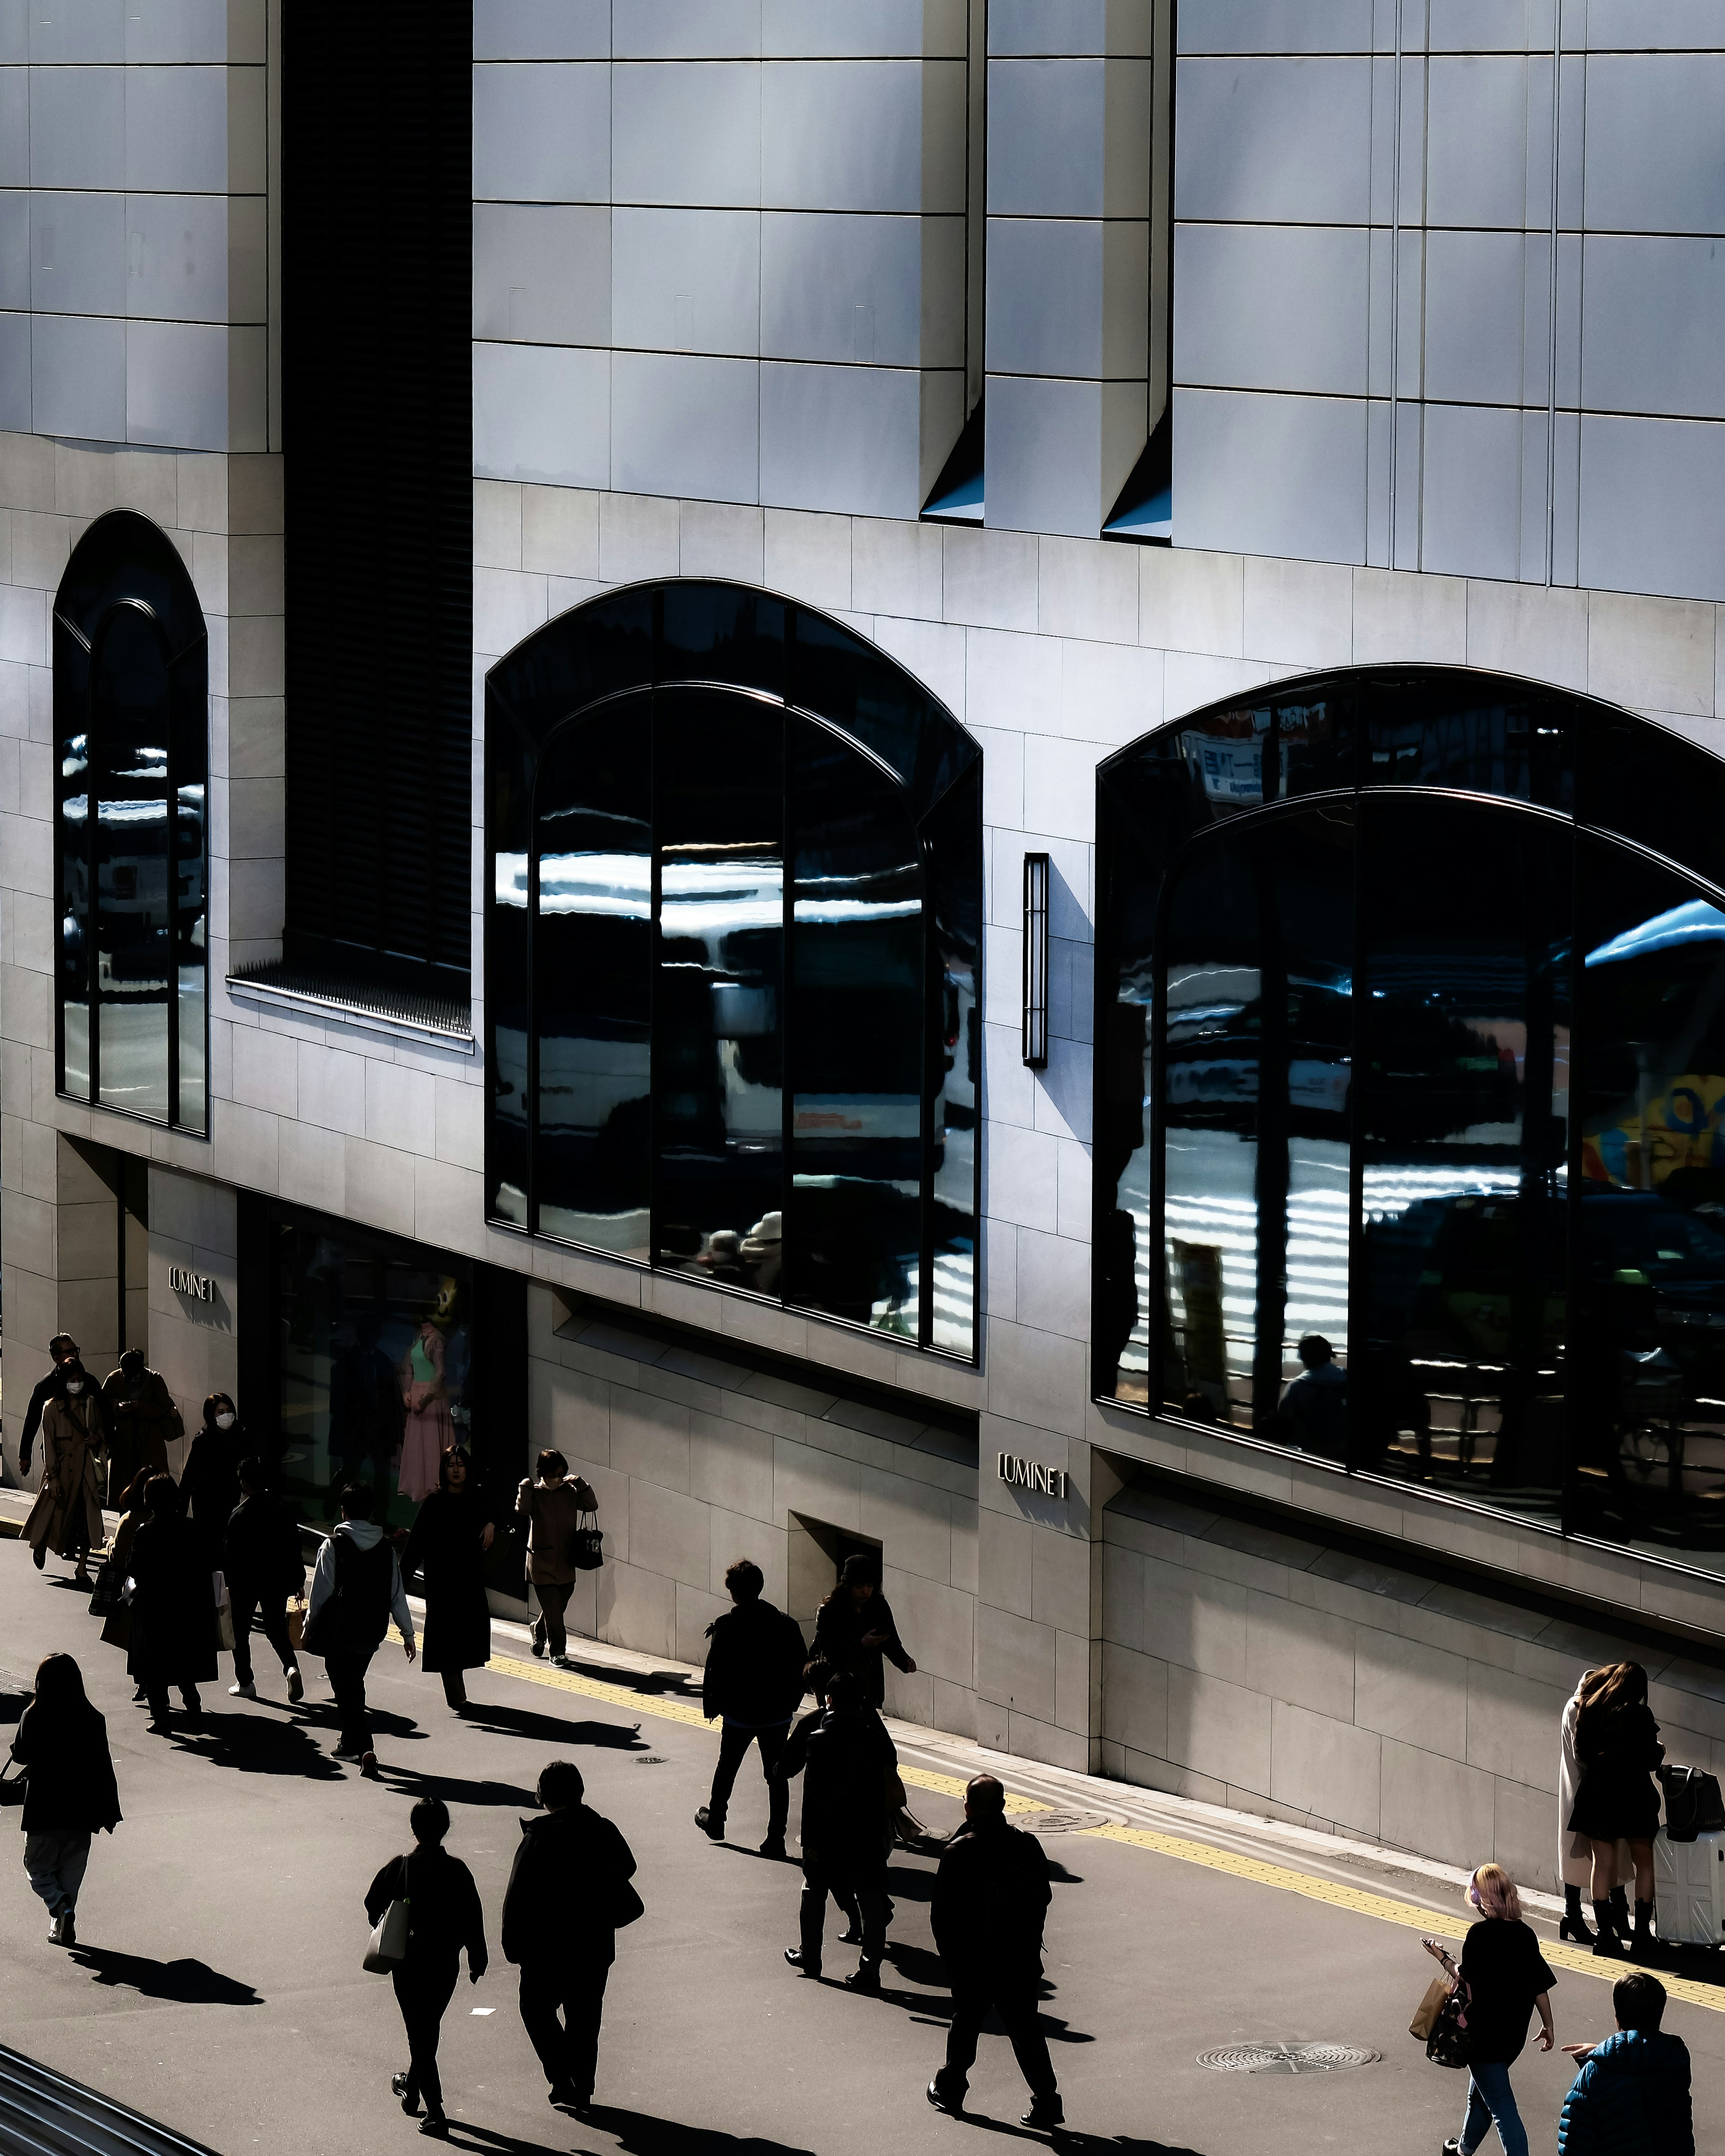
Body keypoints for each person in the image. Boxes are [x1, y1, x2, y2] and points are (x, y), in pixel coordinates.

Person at [501, 1759, 638, 2118]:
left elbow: (516, 1896)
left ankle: (562, 2074)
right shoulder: (601, 1828)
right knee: (585, 2016)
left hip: (545, 1947)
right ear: (580, 1792)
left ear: (542, 1797)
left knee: (535, 2008)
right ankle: (582, 2086)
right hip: (593, 1943)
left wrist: (512, 1945)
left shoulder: (537, 1839)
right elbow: (628, 1866)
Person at [926, 1776, 1062, 2130]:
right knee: (1026, 2029)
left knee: (966, 2023)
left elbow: (941, 1916)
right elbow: (1042, 1898)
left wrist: (952, 1959)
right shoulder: (1026, 1845)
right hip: (1018, 1957)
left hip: (974, 1960)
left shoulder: (958, 1852)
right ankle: (1047, 2101)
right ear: (1003, 1806)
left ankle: (951, 2089)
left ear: (968, 1808)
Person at [366, 1796, 487, 2140]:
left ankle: (435, 2112)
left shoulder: (400, 1867)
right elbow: (472, 1917)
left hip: (409, 1961)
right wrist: (478, 1956)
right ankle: (411, 2087)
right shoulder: (458, 1871)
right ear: (446, 1829)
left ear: (414, 1829)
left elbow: (372, 1905)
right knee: (427, 2026)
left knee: (419, 2032)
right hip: (446, 1963)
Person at [1422, 1863, 1556, 2156]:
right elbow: (1539, 1986)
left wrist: (1442, 1957)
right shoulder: (1526, 1935)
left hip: (1482, 2038)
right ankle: (1462, 2151)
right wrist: (1549, 2025)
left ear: (1480, 1899)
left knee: (1503, 2110)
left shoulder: (1480, 1935)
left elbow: (1464, 1977)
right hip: (1513, 2038)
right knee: (1481, 2096)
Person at [777, 1666, 897, 1990]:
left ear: (828, 1699)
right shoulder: (872, 1736)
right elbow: (892, 1763)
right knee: (871, 1896)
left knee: (814, 1887)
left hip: (828, 1832)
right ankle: (870, 1971)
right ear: (861, 1702)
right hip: (868, 1829)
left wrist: (811, 1840)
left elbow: (809, 1792)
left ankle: (811, 1956)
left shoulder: (818, 1737)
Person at [695, 1558, 809, 1858]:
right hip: (777, 1716)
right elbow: (802, 1668)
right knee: (776, 1775)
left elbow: (715, 1672)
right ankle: (775, 1838)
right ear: (760, 1587)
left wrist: (718, 1706)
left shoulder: (727, 1626)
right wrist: (790, 1704)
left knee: (727, 1768)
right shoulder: (785, 1624)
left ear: (733, 1592)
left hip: (739, 1716)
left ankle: (716, 1821)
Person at [303, 1482, 416, 1776]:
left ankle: (364, 1746)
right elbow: (396, 1594)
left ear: (343, 1512)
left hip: (340, 1629)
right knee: (353, 1683)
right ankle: (349, 1744)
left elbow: (321, 1593)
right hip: (372, 1630)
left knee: (344, 1684)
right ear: (371, 1512)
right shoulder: (385, 1549)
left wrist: (308, 1625)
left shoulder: (333, 1545)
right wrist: (407, 1633)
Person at [9, 1653, 121, 1947]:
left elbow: (21, 1755)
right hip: (83, 1810)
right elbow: (103, 1764)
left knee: (37, 1867)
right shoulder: (93, 1718)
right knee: (71, 1869)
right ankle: (61, 1921)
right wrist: (109, 1808)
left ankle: (60, 1907)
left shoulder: (34, 1715)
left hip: (45, 1808)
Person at [1567, 1663, 1664, 1959]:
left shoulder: (1593, 1708)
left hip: (1598, 1794)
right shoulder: (1640, 1714)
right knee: (1645, 1863)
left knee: (1603, 1864)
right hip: (1634, 1795)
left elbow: (1581, 1751)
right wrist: (1659, 1751)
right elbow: (1650, 1760)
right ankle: (1642, 1936)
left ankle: (1605, 1936)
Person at [401, 1446, 495, 1714]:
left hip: (469, 1580)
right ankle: (457, 1695)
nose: (456, 1470)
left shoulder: (477, 1496)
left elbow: (498, 1513)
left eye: (461, 1465)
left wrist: (490, 1523)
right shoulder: (433, 1503)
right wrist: (398, 1585)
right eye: (451, 1465)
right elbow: (415, 1546)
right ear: (444, 1469)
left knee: (467, 1634)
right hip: (442, 1582)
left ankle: (458, 1689)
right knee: (445, 1638)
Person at [1558, 1970, 1693, 2155]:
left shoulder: (1594, 2072)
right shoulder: (1676, 2059)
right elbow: (1642, 2075)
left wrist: (1599, 2056)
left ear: (1617, 2017)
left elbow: (1575, 2141)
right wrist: (1601, 2053)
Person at [126, 1475, 218, 1731]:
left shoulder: (145, 1532)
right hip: (189, 1606)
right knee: (184, 1660)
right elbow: (209, 1563)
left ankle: (161, 1716)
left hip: (155, 1609)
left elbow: (134, 1569)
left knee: (154, 1664)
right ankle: (193, 1703)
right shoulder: (193, 1528)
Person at [222, 1457, 306, 1703]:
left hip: (244, 1583)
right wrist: (298, 1581)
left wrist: (227, 1585)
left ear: (244, 1483)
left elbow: (229, 1557)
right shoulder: (282, 1512)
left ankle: (246, 1682)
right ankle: (291, 1668)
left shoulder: (238, 1516)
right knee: (276, 1630)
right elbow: (294, 1549)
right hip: (276, 1582)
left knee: (240, 1631)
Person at [1559, 1669, 1632, 1948]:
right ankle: (1574, 1914)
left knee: (1599, 1857)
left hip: (1589, 1789)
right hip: (1584, 1789)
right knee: (1581, 1857)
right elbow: (1584, 1753)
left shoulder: (1584, 1705)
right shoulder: (1577, 1707)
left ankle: (1591, 1915)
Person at [23, 1359, 105, 1585]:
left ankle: (82, 1568)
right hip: (61, 1471)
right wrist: (53, 1477)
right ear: (64, 1382)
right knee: (53, 1515)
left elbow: (101, 1431)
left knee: (87, 1519)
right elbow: (48, 1444)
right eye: (72, 1380)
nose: (76, 1384)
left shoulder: (90, 1404)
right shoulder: (50, 1408)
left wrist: (96, 1438)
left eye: (79, 1380)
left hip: (85, 1472)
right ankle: (40, 1546)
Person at [516, 1449, 597, 1667]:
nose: (559, 1479)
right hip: (541, 1562)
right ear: (543, 1473)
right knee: (554, 1609)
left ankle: (538, 1629)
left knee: (559, 1605)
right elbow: (522, 1509)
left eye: (562, 1474)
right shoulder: (534, 1493)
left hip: (567, 1561)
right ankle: (558, 1652)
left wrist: (580, 1483)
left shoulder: (570, 1492)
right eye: (554, 1474)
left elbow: (591, 1505)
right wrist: (524, 1487)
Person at [811, 1553, 916, 1709]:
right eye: (859, 1587)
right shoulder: (831, 1611)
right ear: (848, 1586)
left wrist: (904, 1660)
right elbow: (830, 1653)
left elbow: (889, 1639)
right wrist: (861, 1645)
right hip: (838, 1683)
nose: (865, 1592)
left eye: (869, 1586)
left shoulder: (879, 1605)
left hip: (869, 1682)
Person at [98, 1350, 182, 1505]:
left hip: (150, 1437)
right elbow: (102, 1404)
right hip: (124, 1438)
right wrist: (118, 1406)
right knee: (124, 1480)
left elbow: (163, 1406)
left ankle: (154, 1505)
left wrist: (141, 1408)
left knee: (151, 1475)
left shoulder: (154, 1379)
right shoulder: (115, 1378)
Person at [180, 1392, 245, 1566]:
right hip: (207, 1502)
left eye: (229, 1410)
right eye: (220, 1412)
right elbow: (190, 1476)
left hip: (232, 1500)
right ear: (212, 1415)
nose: (226, 1416)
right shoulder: (203, 1440)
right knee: (210, 1549)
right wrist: (180, 1508)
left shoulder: (241, 1435)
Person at [398, 1318, 454, 1503]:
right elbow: (409, 1366)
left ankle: (433, 1487)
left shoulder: (437, 1340)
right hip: (417, 1393)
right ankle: (417, 1486)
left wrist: (425, 1399)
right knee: (418, 1444)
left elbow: (440, 1373)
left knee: (431, 1443)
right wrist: (407, 1392)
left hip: (431, 1398)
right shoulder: (418, 1337)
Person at [18, 1335, 89, 1478]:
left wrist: (106, 1440)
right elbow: (33, 1419)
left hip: (84, 1450)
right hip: (58, 1453)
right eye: (70, 1352)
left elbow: (104, 1411)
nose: (75, 1354)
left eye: (76, 1350)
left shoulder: (88, 1380)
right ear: (57, 1358)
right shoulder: (47, 1384)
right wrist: (25, 1455)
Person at [1281, 1333, 1347, 1456]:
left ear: (1303, 1357)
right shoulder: (1347, 1378)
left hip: (1310, 1454)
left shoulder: (1297, 1387)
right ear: (1329, 1355)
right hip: (1346, 1452)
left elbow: (1283, 1425)